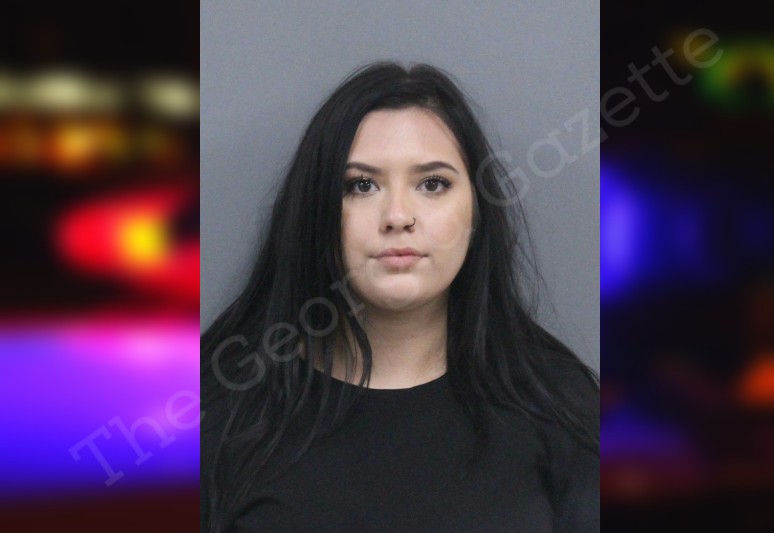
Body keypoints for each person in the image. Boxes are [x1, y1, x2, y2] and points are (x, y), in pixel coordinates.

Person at [201, 61, 599, 532]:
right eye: (361, 185)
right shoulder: (215, 407)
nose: (397, 216)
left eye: (432, 184)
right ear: (316, 210)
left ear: (477, 213)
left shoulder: (561, 406)